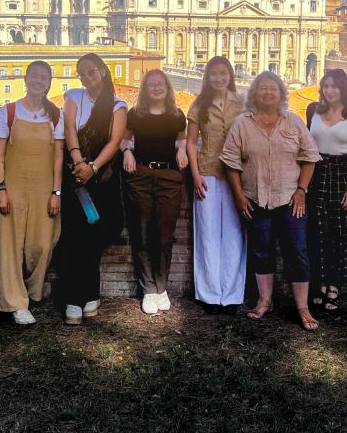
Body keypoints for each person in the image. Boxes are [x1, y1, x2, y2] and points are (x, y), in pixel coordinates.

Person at [221, 71, 321, 331]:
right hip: (255, 200)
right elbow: (231, 164)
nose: (267, 92)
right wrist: (239, 196)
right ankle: (265, 301)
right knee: (261, 251)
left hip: (290, 200)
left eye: (273, 89)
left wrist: (302, 190)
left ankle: (302, 307)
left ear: (281, 94)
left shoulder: (294, 121)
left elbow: (310, 156)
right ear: (254, 93)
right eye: (262, 88)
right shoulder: (242, 124)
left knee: (297, 252)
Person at [57, 53, 127, 325]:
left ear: (102, 70)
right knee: (74, 238)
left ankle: (88, 295)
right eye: (81, 73)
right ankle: (77, 298)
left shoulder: (118, 105)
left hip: (101, 182)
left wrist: (93, 168)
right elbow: (70, 130)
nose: (86, 77)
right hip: (75, 177)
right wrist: (78, 163)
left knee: (94, 238)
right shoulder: (74, 96)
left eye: (90, 71)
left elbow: (114, 142)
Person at [0, 61, 64, 325]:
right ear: (26, 78)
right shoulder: (9, 112)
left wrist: (56, 192)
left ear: (49, 82)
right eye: (34, 76)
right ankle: (15, 301)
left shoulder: (56, 115)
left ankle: (32, 290)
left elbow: (58, 156)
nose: (39, 81)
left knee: (43, 244)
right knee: (9, 245)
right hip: (12, 186)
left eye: (44, 77)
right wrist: (1, 188)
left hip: (44, 187)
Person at [121, 69, 188, 315]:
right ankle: (148, 289)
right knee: (141, 234)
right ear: (145, 89)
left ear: (167, 88)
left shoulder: (177, 115)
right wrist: (127, 152)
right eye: (152, 85)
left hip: (169, 176)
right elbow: (125, 140)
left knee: (164, 236)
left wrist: (181, 150)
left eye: (161, 84)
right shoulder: (135, 114)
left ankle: (162, 287)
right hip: (140, 175)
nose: (157, 88)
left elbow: (182, 139)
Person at [186, 56, 246, 315]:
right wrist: (195, 175)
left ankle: (231, 295)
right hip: (208, 174)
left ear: (230, 75)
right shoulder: (199, 105)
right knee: (207, 234)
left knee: (234, 234)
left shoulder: (243, 103)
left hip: (236, 175)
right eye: (214, 74)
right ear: (207, 77)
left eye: (223, 73)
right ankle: (209, 295)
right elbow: (190, 143)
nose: (219, 78)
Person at [304, 69, 347, 313]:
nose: (329, 91)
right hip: (317, 173)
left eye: (334, 86)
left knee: (340, 233)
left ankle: (334, 285)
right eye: (326, 86)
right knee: (317, 230)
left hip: (342, 174)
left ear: (344, 88)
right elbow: (306, 145)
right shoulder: (313, 111)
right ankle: (319, 283)